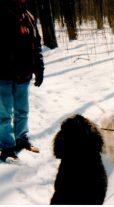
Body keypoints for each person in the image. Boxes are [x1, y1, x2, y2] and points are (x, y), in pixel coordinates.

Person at [0, 0, 44, 162]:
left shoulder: (28, 17)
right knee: (4, 115)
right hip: (3, 75)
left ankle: (21, 139)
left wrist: (39, 69)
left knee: (22, 111)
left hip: (24, 74)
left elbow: (36, 45)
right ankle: (6, 147)